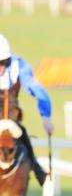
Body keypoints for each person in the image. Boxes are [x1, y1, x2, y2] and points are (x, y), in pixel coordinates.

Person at [0, 33, 53, 185]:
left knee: (22, 134)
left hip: (10, 115)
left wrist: (46, 117)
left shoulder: (19, 66)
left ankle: (37, 169)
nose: (1, 68)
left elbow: (36, 89)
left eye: (4, 63)